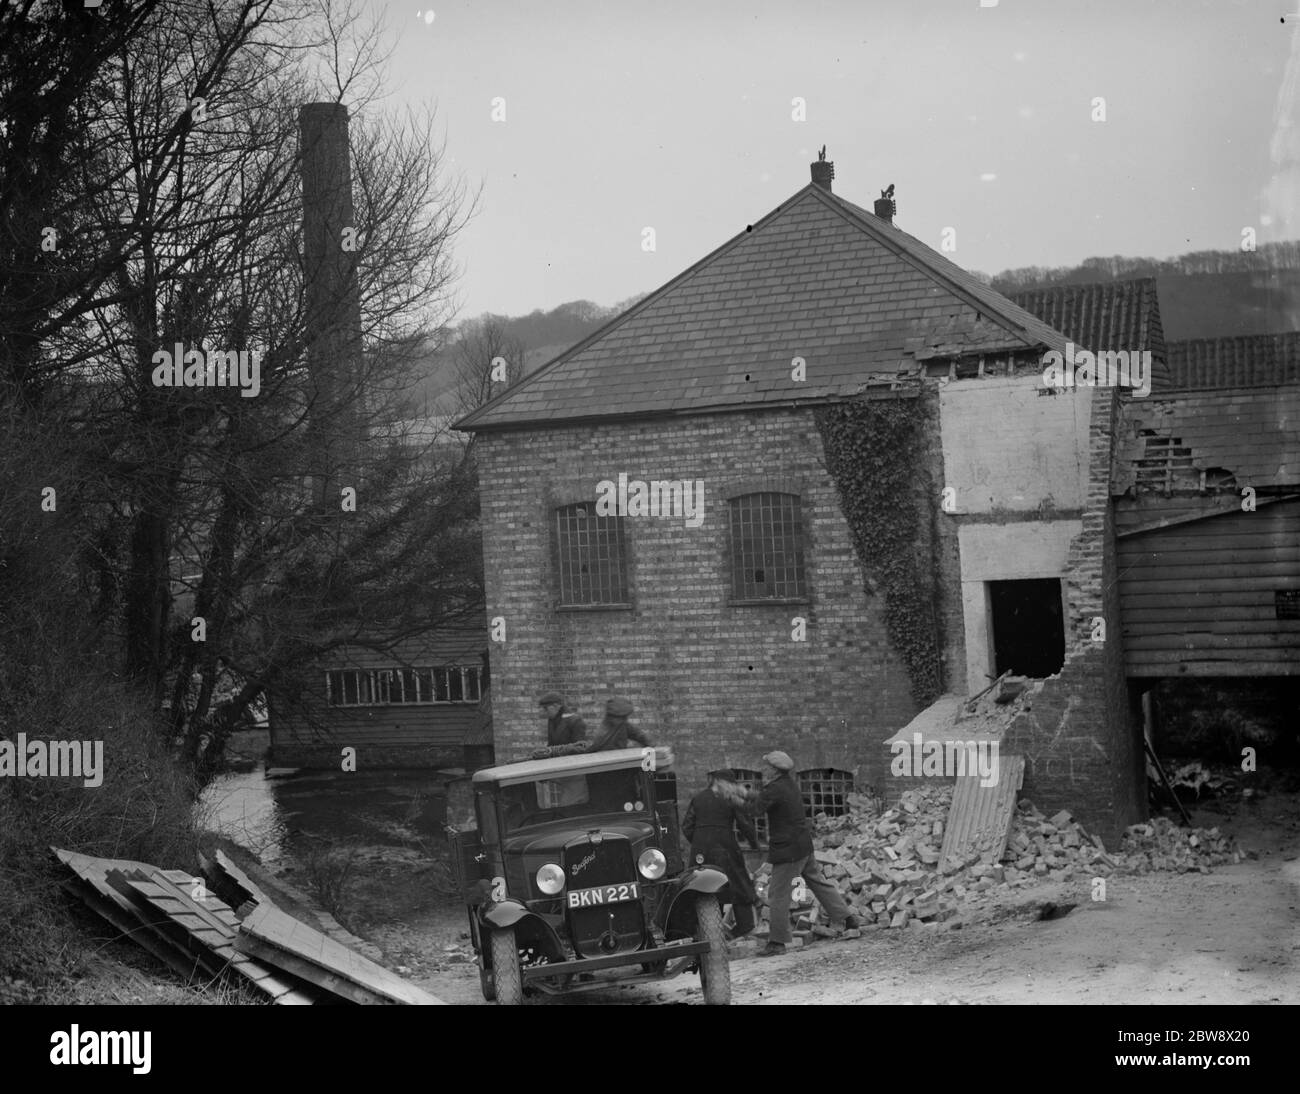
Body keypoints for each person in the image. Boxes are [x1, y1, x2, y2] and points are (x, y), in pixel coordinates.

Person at [748, 750, 858, 958]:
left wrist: (737, 797)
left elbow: (755, 810)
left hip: (788, 850)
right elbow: (764, 800)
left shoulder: (774, 789)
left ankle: (777, 942)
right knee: (818, 882)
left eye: (766, 767)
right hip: (803, 845)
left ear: (774, 770)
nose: (763, 770)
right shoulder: (789, 785)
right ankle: (848, 919)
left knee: (778, 895)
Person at [682, 768, 759, 939]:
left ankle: (700, 931)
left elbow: (687, 826)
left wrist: (699, 841)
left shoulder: (698, 798)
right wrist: (754, 843)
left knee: (700, 885)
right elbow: (744, 824)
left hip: (701, 850)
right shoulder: (729, 798)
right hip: (725, 846)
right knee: (737, 882)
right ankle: (745, 927)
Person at [585, 697, 652, 752]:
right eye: (622, 717)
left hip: (621, 758)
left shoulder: (623, 725)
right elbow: (594, 747)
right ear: (613, 716)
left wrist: (650, 745)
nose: (625, 719)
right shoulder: (602, 733)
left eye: (625, 717)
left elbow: (639, 735)